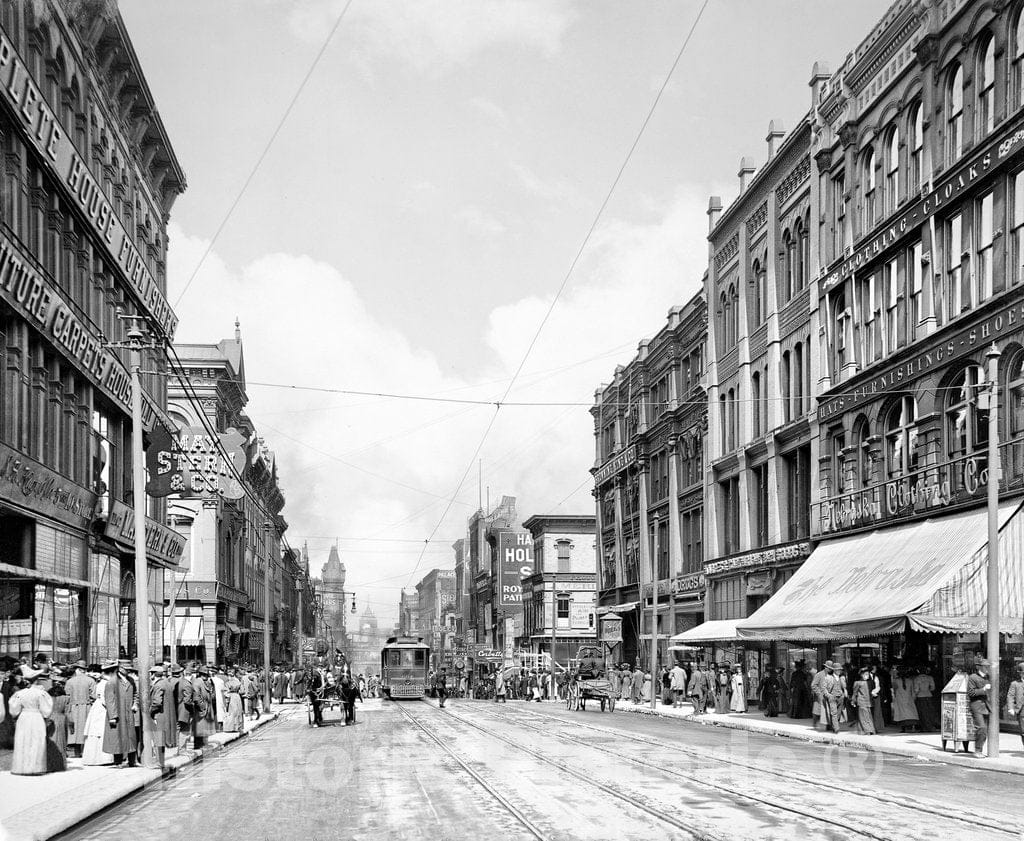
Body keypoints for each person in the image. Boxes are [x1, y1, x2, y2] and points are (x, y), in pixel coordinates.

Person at [9, 668, 52, 775]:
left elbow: (14, 709)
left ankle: (22, 767)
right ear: (36, 680)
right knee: (36, 740)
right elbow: (46, 710)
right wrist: (45, 716)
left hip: (24, 717)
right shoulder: (41, 693)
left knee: (23, 740)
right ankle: (35, 767)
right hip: (36, 716)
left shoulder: (20, 693)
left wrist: (17, 714)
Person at [103, 660, 137, 767]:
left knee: (130, 737)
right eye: (127, 670)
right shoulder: (112, 682)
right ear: (120, 669)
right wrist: (112, 716)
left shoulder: (131, 681)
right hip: (118, 714)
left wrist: (135, 704)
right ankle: (118, 761)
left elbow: (136, 694)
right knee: (117, 737)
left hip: (129, 713)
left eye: (130, 670)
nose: (129, 672)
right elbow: (110, 700)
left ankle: (132, 761)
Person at [82, 666, 114, 766]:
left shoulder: (100, 683)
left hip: (97, 707)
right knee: (101, 731)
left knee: (95, 732)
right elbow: (105, 699)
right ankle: (103, 758)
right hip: (102, 709)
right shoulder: (106, 684)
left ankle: (93, 758)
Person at [64, 660, 94, 758]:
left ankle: (76, 752)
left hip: (73, 707)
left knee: (75, 729)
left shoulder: (69, 681)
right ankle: (85, 752)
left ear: (77, 670)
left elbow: (67, 696)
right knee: (85, 728)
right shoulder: (91, 680)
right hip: (86, 706)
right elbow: (93, 695)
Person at [149, 664, 177, 757]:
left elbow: (157, 702)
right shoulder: (167, 683)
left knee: (158, 739)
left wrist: (150, 712)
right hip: (167, 715)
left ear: (153, 675)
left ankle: (158, 759)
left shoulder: (158, 685)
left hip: (159, 715)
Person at [967, 658, 992, 756]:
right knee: (981, 728)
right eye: (985, 666)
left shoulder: (988, 677)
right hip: (976, 705)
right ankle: (978, 750)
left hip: (986, 706)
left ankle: (979, 749)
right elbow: (971, 692)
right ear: (979, 667)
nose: (987, 668)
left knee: (984, 730)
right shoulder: (973, 677)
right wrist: (983, 689)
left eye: (988, 667)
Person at [47, 670, 68, 771]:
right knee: (61, 741)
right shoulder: (65, 698)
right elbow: (68, 711)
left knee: (51, 741)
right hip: (61, 718)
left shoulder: (48, 696)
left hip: (50, 718)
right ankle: (60, 764)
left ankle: (50, 764)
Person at [819, 661, 845, 734]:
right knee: (834, 713)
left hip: (840, 697)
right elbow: (823, 688)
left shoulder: (841, 678)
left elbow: (844, 687)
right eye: (838, 670)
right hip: (832, 697)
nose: (839, 671)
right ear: (834, 670)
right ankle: (836, 729)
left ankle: (833, 725)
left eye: (840, 670)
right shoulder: (828, 678)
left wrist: (843, 695)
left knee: (839, 714)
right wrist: (828, 695)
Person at [891, 666, 919, 732]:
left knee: (901, 712)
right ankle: (913, 726)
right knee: (911, 711)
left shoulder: (896, 681)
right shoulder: (910, 680)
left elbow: (894, 690)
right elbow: (912, 690)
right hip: (909, 697)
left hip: (900, 697)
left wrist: (895, 696)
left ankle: (903, 728)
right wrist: (913, 698)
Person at [851, 666, 876, 735]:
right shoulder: (858, 683)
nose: (867, 676)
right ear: (861, 675)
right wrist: (853, 701)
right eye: (865, 674)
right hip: (861, 701)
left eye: (868, 674)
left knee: (868, 716)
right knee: (864, 717)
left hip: (868, 702)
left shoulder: (870, 683)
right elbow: (855, 693)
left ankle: (870, 730)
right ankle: (868, 730)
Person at [912, 665, 937, 732]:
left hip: (920, 697)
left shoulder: (917, 679)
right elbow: (933, 688)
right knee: (930, 712)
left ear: (918, 671)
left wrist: (914, 697)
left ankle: (924, 727)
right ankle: (930, 726)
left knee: (922, 713)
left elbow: (916, 689)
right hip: (929, 695)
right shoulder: (930, 678)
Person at [1005, 662, 1024, 749]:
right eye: (1023, 672)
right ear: (1020, 673)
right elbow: (1010, 696)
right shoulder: (1015, 684)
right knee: (1023, 731)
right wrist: (1010, 708)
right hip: (1022, 711)